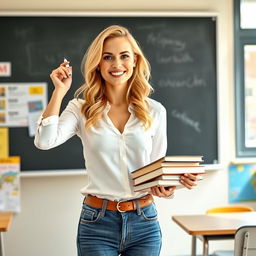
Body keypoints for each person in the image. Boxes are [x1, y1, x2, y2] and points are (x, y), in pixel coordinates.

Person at [34, 25, 200, 256]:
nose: (117, 64)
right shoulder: (81, 109)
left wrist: (174, 184)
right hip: (97, 222)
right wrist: (59, 92)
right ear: (98, 65)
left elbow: (156, 173)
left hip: (144, 221)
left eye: (124, 56)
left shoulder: (155, 111)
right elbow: (44, 141)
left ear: (134, 61)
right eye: (108, 57)